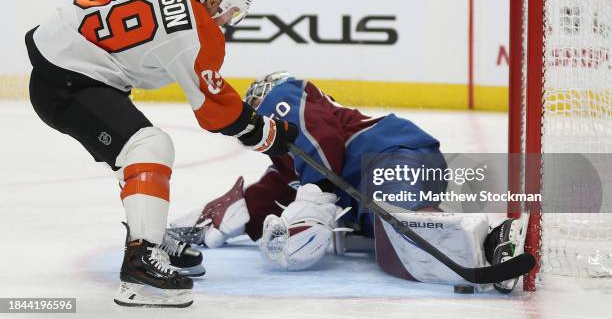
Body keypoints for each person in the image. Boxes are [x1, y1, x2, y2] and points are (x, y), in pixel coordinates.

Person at [25, 0, 298, 307]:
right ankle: (141, 265)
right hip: (68, 84)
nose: (228, 20)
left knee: (135, 149)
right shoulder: (198, 35)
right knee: (148, 146)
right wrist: (267, 132)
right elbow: (216, 113)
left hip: (62, 50)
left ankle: (148, 233)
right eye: (230, 11)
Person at [168, 71, 528, 294]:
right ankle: (465, 237)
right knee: (394, 252)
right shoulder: (291, 162)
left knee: (402, 228)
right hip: (390, 169)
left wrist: (315, 198)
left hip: (392, 154)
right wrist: (210, 218)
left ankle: (496, 236)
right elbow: (271, 191)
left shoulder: (282, 97)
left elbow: (321, 140)